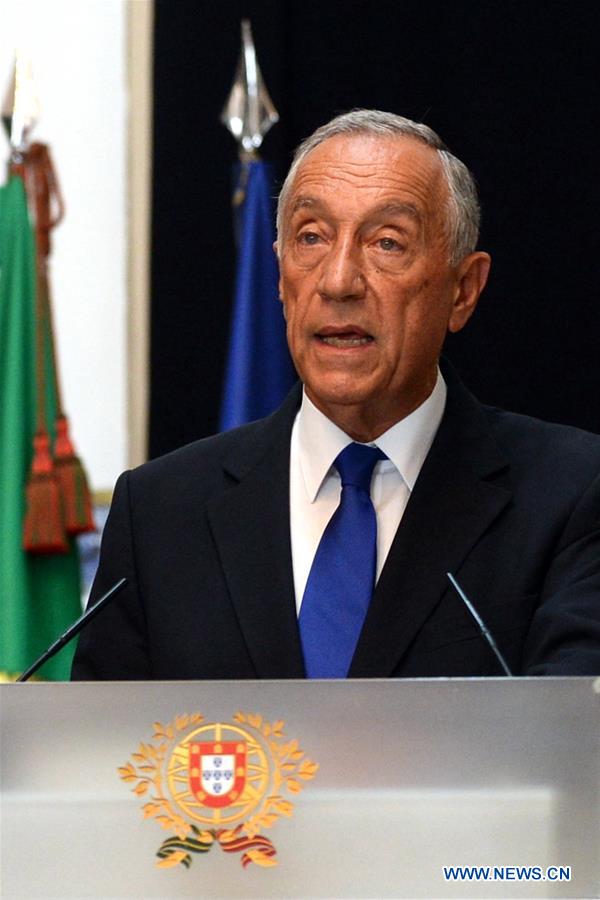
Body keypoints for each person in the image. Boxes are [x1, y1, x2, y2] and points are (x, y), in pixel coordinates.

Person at [72, 110, 600, 680]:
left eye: (387, 243)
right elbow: (107, 757)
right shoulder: (158, 516)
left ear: (463, 290)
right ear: (279, 276)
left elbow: (573, 743)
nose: (339, 280)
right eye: (312, 237)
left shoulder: (569, 495)